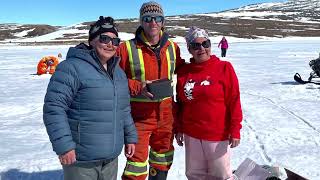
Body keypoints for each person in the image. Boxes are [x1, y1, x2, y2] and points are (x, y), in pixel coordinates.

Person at [43, 16, 138, 180]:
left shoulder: (119, 73)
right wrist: (64, 147)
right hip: (81, 160)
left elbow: (123, 109)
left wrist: (130, 137)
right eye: (105, 38)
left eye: (115, 41)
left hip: (110, 158)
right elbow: (54, 108)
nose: (110, 44)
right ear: (92, 41)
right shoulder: (71, 68)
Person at [117, 1, 185, 180]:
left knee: (162, 160)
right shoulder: (126, 48)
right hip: (139, 119)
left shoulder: (172, 47)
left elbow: (184, 71)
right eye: (147, 18)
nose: (152, 22)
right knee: (136, 167)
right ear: (141, 21)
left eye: (157, 18)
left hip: (166, 117)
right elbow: (113, 80)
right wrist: (139, 86)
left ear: (163, 21)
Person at [175, 26, 243, 180]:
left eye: (205, 44)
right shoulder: (184, 72)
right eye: (195, 45)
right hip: (191, 133)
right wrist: (179, 128)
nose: (201, 48)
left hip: (217, 134)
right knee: (194, 175)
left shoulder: (224, 68)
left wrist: (235, 129)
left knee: (221, 175)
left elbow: (234, 100)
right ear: (189, 49)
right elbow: (180, 104)